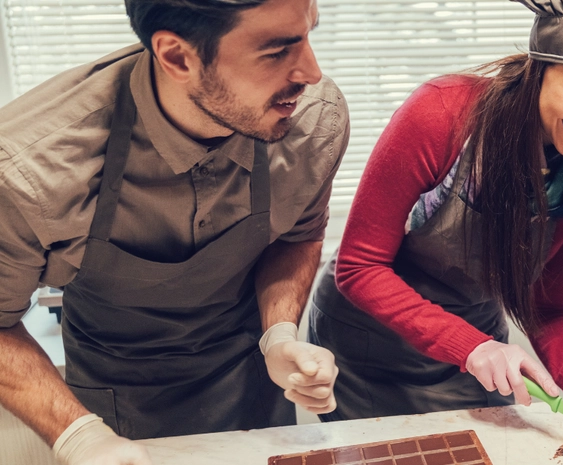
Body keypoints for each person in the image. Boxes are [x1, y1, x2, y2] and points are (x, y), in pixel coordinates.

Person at [307, 0, 563, 444]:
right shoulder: (441, 114)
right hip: (370, 351)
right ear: (540, 67)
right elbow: (359, 267)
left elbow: (547, 308)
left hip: (479, 352)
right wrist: (470, 345)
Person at [0, 0, 346, 463]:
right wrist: (80, 437)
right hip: (114, 399)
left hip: (249, 377)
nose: (312, 72)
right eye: (276, 50)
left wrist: (279, 334)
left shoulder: (311, 120)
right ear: (178, 57)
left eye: (309, 35)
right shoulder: (31, 169)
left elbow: (297, 235)